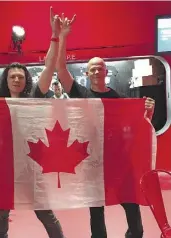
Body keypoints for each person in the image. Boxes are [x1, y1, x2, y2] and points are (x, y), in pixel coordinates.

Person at [0, 7, 65, 238]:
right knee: (1, 214)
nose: (17, 79)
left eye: (20, 76)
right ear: (6, 80)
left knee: (45, 212)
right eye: (12, 76)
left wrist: (55, 35)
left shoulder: (33, 98)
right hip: (4, 166)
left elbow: (49, 67)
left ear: (26, 80)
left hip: (31, 163)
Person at [55, 15, 155, 238]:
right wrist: (63, 37)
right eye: (93, 69)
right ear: (87, 74)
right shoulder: (80, 93)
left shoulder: (119, 99)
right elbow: (61, 69)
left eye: (100, 68)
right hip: (93, 160)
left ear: (106, 72)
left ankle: (135, 234)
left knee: (131, 204)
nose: (97, 72)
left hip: (119, 159)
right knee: (96, 211)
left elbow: (138, 126)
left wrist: (148, 111)